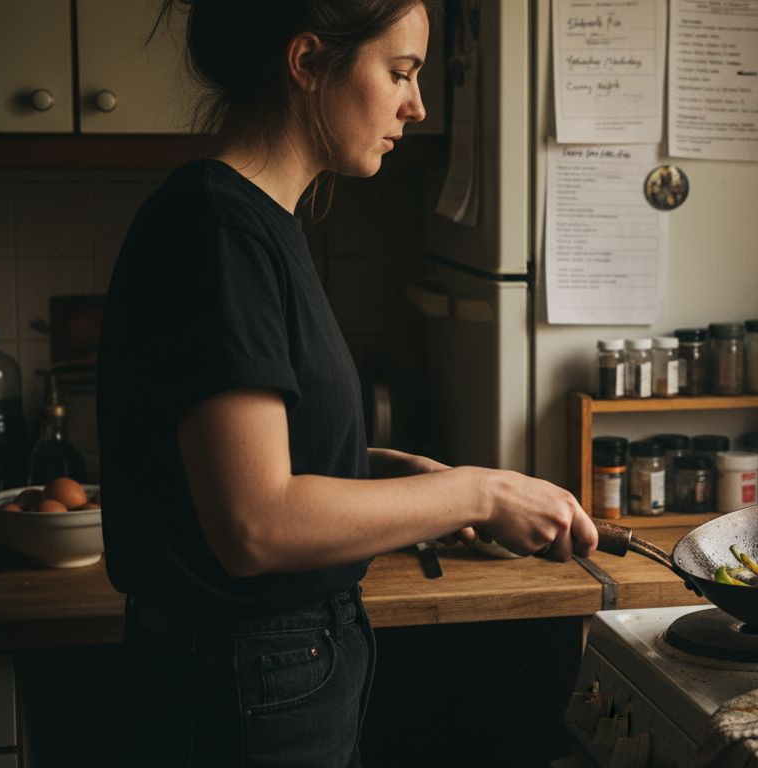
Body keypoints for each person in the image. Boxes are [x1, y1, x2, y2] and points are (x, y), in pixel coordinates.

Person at [96, 1, 598, 765]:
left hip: (271, 667)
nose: (416, 105)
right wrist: (479, 493)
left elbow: (261, 465)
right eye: (398, 72)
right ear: (306, 62)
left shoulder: (260, 223)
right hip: (243, 680)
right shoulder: (216, 230)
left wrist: (405, 481)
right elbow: (255, 524)